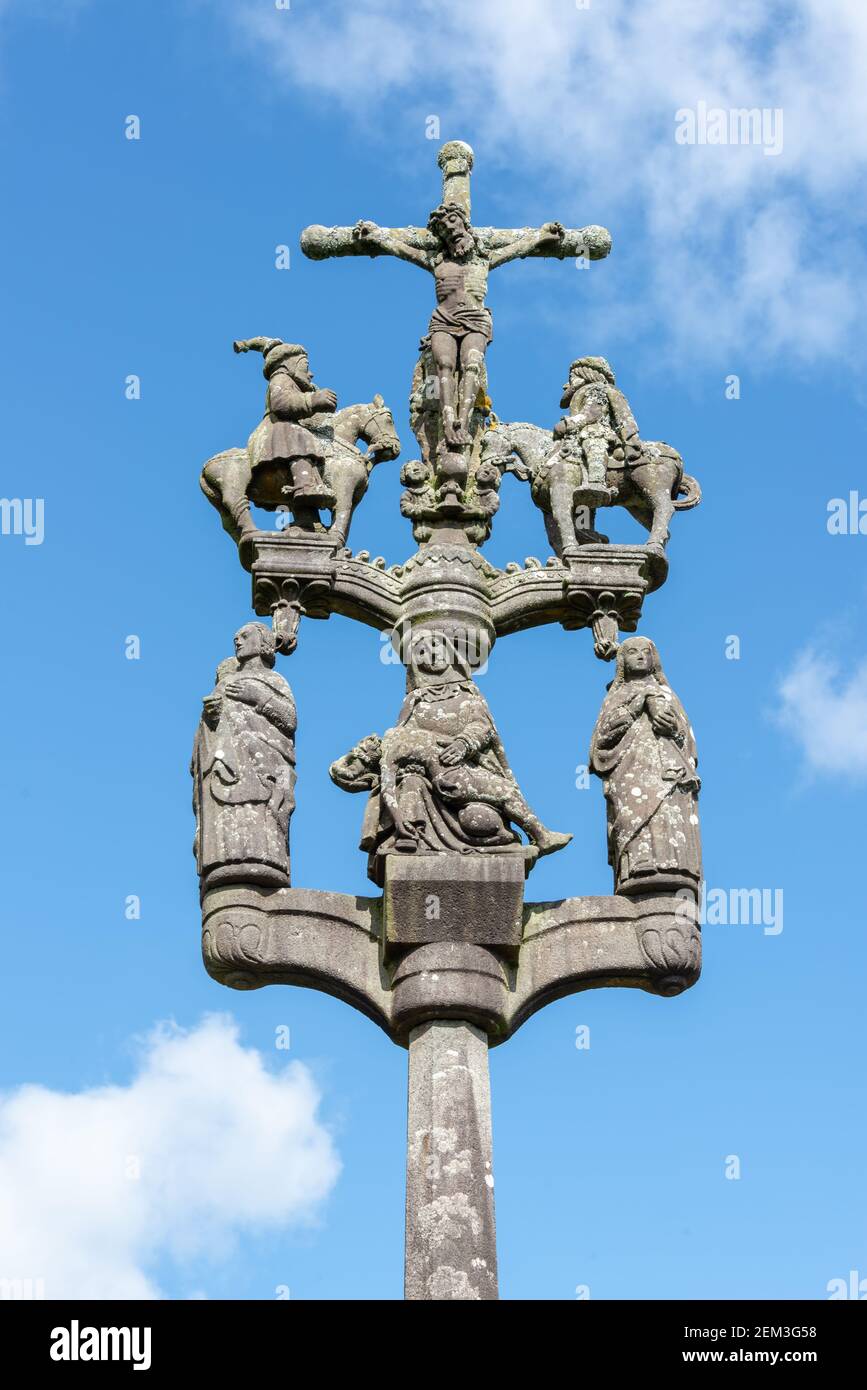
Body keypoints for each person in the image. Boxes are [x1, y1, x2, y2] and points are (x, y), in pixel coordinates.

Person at [590, 636, 701, 895]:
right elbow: (600, 742)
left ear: (654, 660)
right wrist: (633, 709)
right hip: (630, 773)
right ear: (622, 662)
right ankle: (637, 867)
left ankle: (674, 866)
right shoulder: (616, 696)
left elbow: (687, 740)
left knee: (666, 815)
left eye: (645, 652)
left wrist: (672, 728)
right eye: (632, 652)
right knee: (634, 818)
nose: (640, 656)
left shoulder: (667, 694)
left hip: (668, 772)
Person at [191, 623, 297, 891]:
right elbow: (205, 738)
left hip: (264, 768)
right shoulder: (225, 683)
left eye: (245, 635)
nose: (237, 639)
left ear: (263, 643)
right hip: (226, 770)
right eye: (235, 637)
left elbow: (289, 721)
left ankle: (265, 857)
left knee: (261, 813)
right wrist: (212, 717)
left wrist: (259, 697)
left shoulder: (274, 680)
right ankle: (224, 858)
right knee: (230, 819)